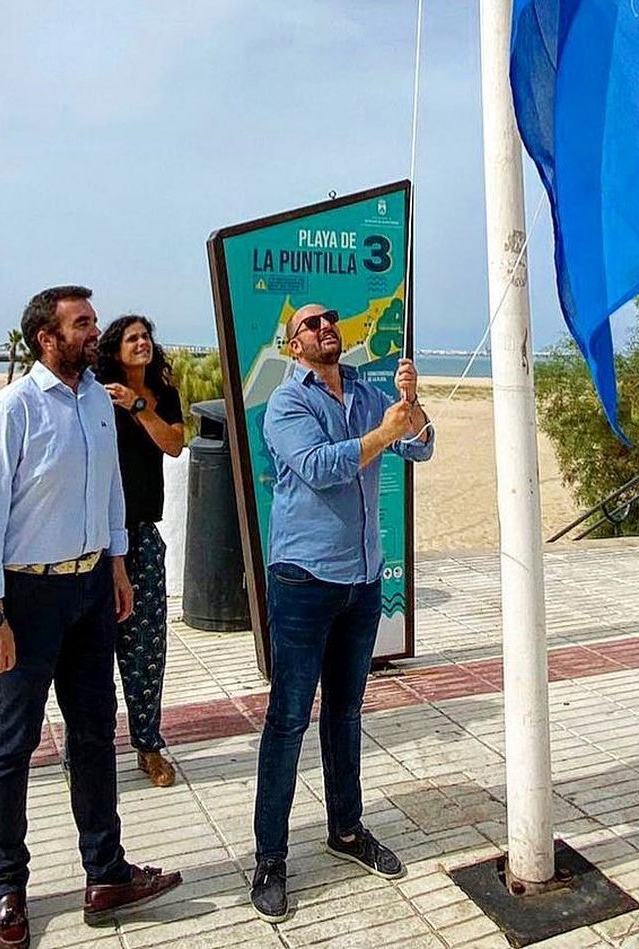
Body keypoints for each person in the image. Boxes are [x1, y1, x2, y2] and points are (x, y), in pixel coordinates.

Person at [0, 285, 181, 949]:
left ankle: (106, 872)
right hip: (24, 599)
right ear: (46, 337)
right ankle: (7, 889)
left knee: (93, 733)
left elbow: (109, 488)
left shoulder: (95, 401)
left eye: (91, 321)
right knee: (13, 743)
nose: (94, 331)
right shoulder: (12, 409)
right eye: (81, 323)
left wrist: (116, 564)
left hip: (89, 589)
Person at [249, 302, 434, 922]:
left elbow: (420, 449)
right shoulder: (285, 402)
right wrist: (386, 431)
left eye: (331, 320)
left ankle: (347, 831)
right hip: (304, 579)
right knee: (288, 719)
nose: (326, 327)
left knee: (347, 712)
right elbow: (321, 469)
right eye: (311, 323)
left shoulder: (365, 388)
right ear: (293, 342)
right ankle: (270, 857)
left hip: (360, 577)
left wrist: (414, 412)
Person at [96, 314, 185, 788]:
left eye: (147, 336)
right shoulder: (92, 392)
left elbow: (174, 444)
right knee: (90, 653)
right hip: (93, 538)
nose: (142, 343)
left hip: (142, 533)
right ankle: (86, 752)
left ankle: (147, 744)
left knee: (147, 646)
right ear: (114, 347)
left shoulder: (160, 394)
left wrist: (138, 406)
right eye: (132, 338)